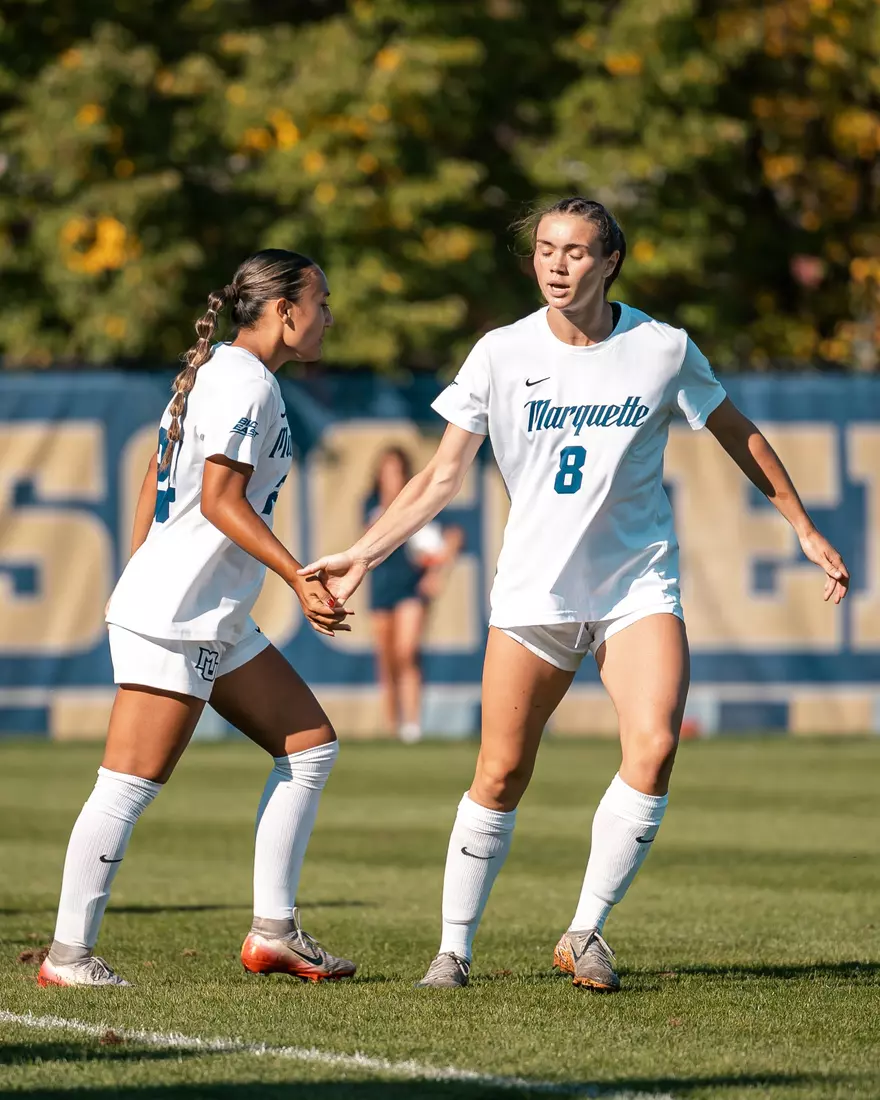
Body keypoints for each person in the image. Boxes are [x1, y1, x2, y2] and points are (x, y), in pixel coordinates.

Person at [299, 197, 850, 992]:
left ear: (610, 261)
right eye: (545, 250)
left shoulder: (662, 348)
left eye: (577, 251)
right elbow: (442, 477)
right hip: (534, 593)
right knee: (500, 773)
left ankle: (584, 931)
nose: (557, 264)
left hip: (636, 584)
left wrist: (800, 524)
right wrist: (357, 555)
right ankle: (452, 951)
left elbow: (737, 431)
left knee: (655, 745)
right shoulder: (500, 351)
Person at [39, 249, 356, 988]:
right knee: (128, 784)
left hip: (204, 610)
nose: (329, 315)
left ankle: (274, 932)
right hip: (180, 613)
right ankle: (68, 957)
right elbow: (218, 500)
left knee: (309, 748)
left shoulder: (221, 370)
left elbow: (157, 475)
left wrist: (146, 562)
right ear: (284, 310)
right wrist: (298, 578)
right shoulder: (246, 384)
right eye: (322, 300)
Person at [364, 446, 463, 742]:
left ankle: (412, 725)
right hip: (382, 586)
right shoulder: (371, 506)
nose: (391, 478)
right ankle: (393, 726)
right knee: (387, 657)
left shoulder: (419, 504)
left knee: (407, 652)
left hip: (411, 587)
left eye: (396, 472)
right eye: (386, 472)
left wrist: (435, 572)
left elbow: (449, 538)